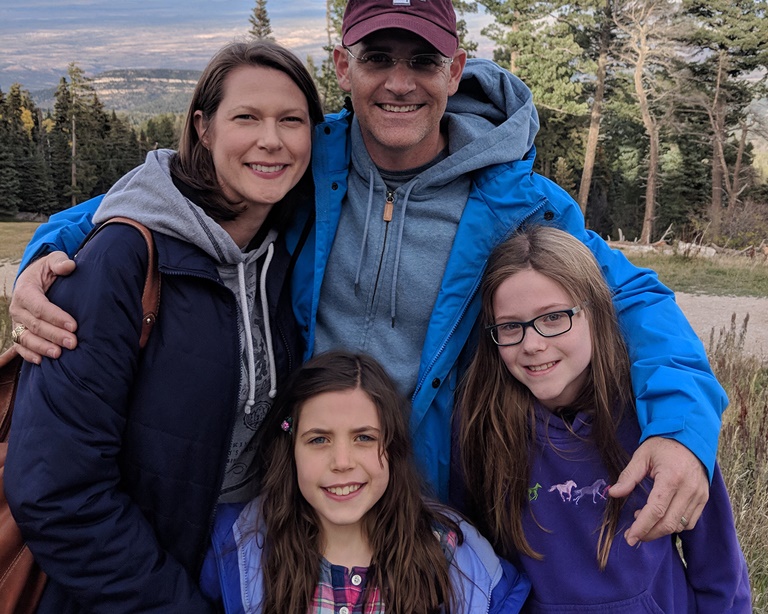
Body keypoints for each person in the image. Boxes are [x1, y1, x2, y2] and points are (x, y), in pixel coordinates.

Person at [10, 0, 724, 544]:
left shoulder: (517, 201)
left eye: (421, 60)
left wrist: (683, 429)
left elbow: (627, 295)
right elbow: (159, 195)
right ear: (343, 66)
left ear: (455, 69)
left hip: (438, 509)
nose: (399, 82)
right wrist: (44, 256)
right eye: (379, 57)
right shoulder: (298, 162)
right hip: (296, 496)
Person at [5, 40, 324, 613]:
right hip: (131, 589)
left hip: (244, 570)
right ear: (202, 127)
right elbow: (55, 491)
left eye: (291, 120)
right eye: (246, 117)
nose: (271, 139)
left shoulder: (282, 251)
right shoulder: (121, 263)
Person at [457, 226, 751, 612]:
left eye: (553, 318)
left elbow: (718, 568)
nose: (532, 344)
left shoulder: (661, 426)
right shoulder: (483, 427)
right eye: (511, 326)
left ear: (595, 313)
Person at [199, 350, 530, 613]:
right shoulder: (240, 551)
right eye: (318, 440)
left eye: (364, 438)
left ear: (393, 445)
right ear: (291, 449)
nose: (342, 462)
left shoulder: (451, 556)